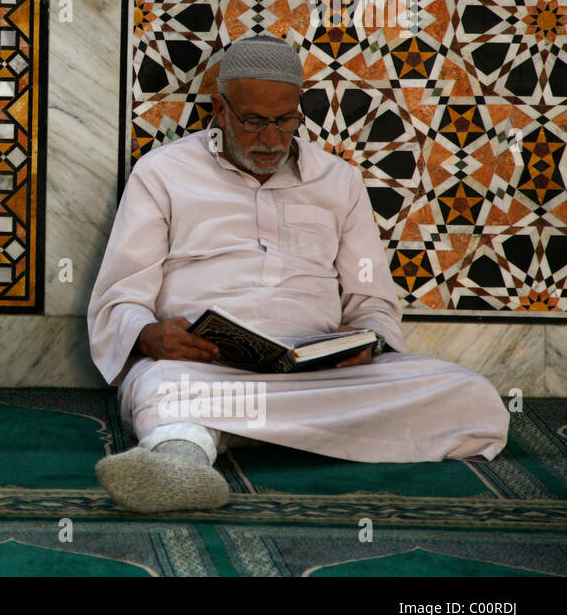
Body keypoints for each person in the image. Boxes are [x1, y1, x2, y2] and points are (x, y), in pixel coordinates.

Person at [87, 34, 509, 513]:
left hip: (319, 376)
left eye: (285, 120)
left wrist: (367, 339)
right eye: (253, 121)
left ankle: (230, 431)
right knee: (162, 386)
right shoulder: (162, 173)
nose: (271, 138)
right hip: (204, 369)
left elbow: (371, 300)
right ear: (219, 110)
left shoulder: (338, 181)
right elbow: (120, 295)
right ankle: (182, 465)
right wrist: (148, 336)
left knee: (467, 392)